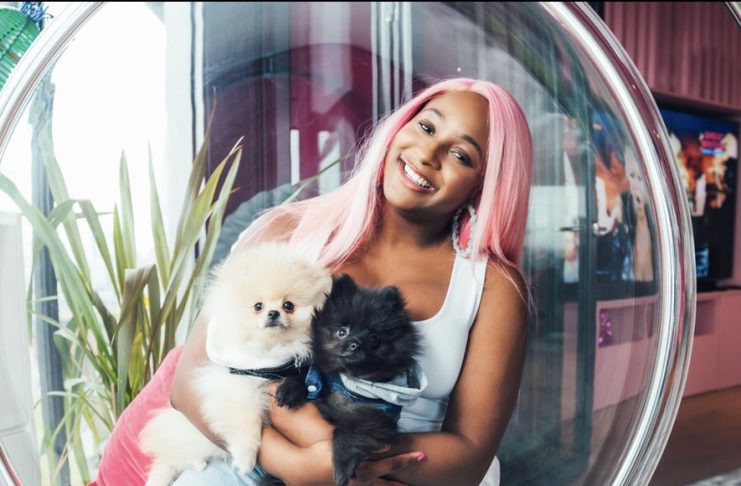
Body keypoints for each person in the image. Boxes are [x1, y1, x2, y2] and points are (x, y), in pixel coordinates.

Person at [93, 77, 532, 486]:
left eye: (461, 155)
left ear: (484, 183)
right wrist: (294, 464)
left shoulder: (491, 287)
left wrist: (348, 463)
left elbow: (470, 451)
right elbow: (189, 379)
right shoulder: (286, 231)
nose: (428, 154)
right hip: (253, 458)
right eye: (426, 127)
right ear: (399, 127)